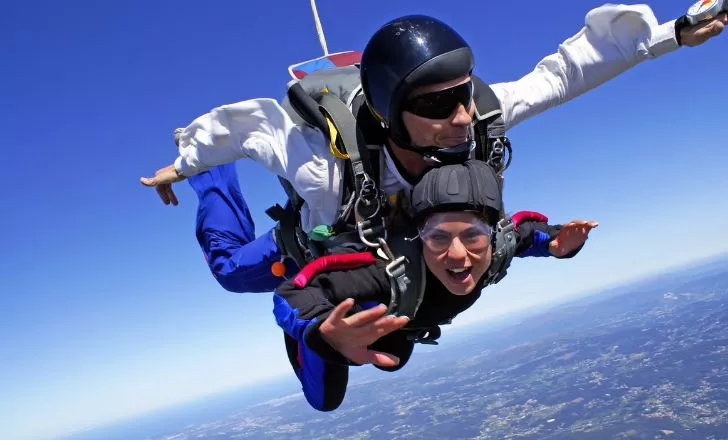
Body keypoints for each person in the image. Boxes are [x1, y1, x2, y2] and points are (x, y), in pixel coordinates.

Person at [140, 5, 726, 294]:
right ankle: (209, 187)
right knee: (229, 269)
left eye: (464, 96)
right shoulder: (324, 166)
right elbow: (250, 129)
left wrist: (669, 35)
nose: (463, 117)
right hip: (333, 236)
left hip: (409, 236)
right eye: (441, 106)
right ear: (394, 115)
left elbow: (565, 74)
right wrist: (188, 161)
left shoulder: (476, 122)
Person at [272, 160, 598, 411]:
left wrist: (559, 245)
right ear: (418, 238)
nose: (458, 255)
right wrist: (318, 331)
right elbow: (294, 292)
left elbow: (531, 231)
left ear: (491, 234)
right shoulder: (386, 270)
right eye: (438, 237)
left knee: (395, 356)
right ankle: (218, 168)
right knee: (325, 400)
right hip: (353, 308)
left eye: (473, 235)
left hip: (404, 319)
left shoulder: (499, 246)